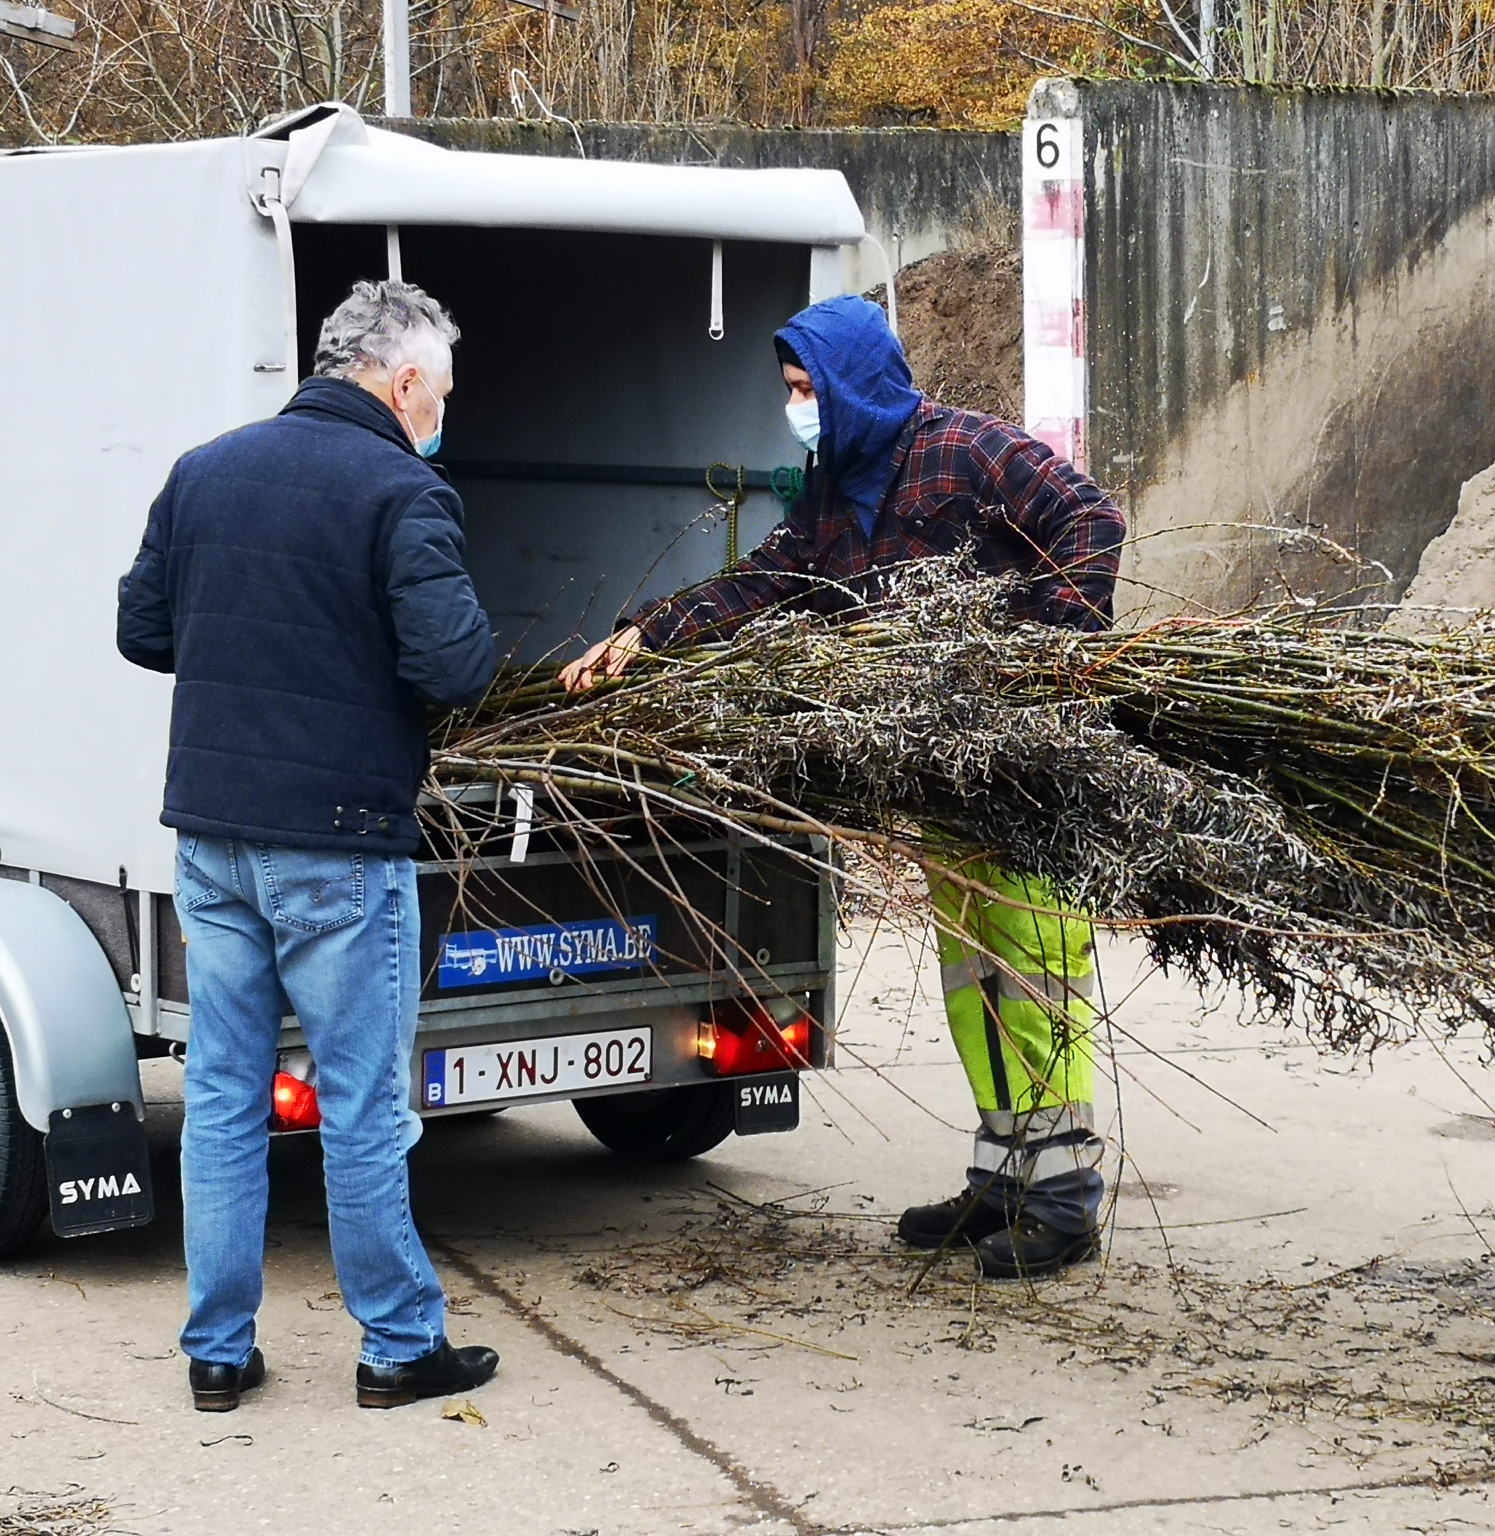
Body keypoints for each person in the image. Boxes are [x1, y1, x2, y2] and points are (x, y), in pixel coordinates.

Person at [561, 295, 1126, 1279]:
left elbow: (1088, 517)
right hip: (941, 772)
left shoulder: (969, 451)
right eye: (789, 390)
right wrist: (647, 632)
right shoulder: (833, 488)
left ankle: (1064, 1196)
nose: (795, 407)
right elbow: (768, 581)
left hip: (1024, 768)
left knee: (1037, 972)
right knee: (975, 976)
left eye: (803, 388)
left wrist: (1044, 662)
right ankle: (1001, 1175)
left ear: (854, 383)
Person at [116, 280, 503, 1411]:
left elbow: (143, 629)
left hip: (215, 834)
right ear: (404, 382)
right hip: (340, 844)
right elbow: (456, 670)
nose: (442, 411)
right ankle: (396, 1347)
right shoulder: (403, 489)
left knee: (226, 1100)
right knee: (364, 1106)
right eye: (442, 390)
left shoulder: (206, 470)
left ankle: (219, 1352)